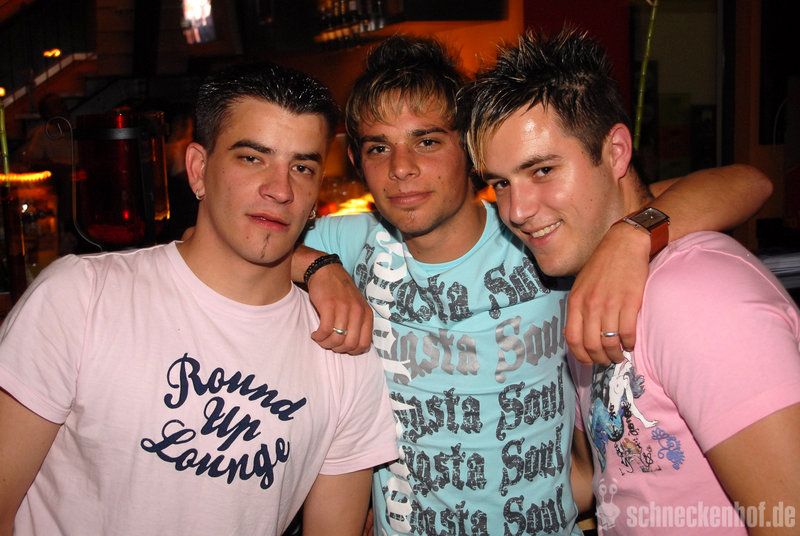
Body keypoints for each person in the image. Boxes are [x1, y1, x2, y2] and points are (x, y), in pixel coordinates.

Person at [293, 35, 773, 536]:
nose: (401, 168)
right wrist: (317, 266)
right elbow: (249, 243)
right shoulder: (350, 242)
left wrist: (629, 237)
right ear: (357, 162)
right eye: (378, 147)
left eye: (427, 141)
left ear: (469, 151)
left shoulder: (536, 232)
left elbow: (748, 182)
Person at [0, 61, 397, 536]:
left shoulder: (344, 353)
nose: (280, 189)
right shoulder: (80, 297)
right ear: (199, 170)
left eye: (302, 167)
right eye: (252, 158)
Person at [466, 27, 800, 535]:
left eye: (543, 170)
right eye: (500, 183)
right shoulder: (590, 283)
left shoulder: (699, 294)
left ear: (617, 152)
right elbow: (611, 477)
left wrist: (631, 234)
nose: (516, 210)